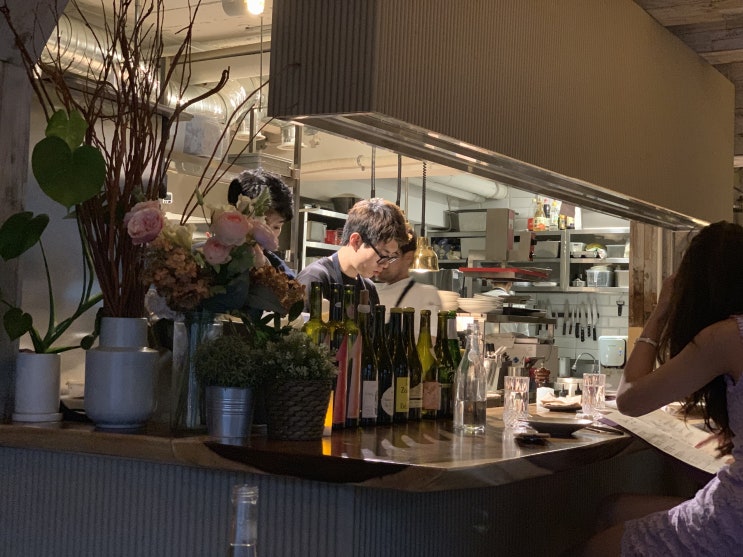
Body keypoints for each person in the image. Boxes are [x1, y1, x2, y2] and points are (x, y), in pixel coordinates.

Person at [579, 221, 743, 557]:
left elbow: (629, 399)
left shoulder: (727, 336)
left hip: (735, 521)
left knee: (590, 549)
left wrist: (661, 310)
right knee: (611, 510)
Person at [296, 197, 409, 310]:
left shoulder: (368, 288)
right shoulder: (315, 279)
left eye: (391, 257)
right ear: (356, 241)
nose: (385, 264)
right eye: (383, 254)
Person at [227, 168, 295, 277]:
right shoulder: (210, 257)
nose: (270, 233)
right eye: (264, 222)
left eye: (277, 227)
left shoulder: (283, 274)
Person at [375, 227, 442, 337]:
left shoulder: (426, 294)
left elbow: (432, 342)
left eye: (391, 256)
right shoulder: (373, 292)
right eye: (381, 255)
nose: (382, 262)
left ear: (408, 257)